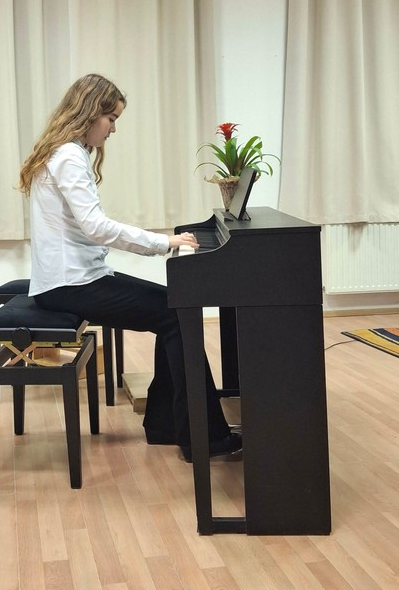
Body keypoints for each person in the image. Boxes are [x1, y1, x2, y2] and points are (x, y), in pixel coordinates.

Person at [18, 73, 241, 461]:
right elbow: (97, 227)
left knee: (174, 307)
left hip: (73, 279)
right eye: (111, 119)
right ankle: (203, 438)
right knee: (177, 314)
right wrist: (163, 242)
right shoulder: (69, 156)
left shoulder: (64, 151)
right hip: (71, 285)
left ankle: (168, 425)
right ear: (90, 113)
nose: (113, 129)